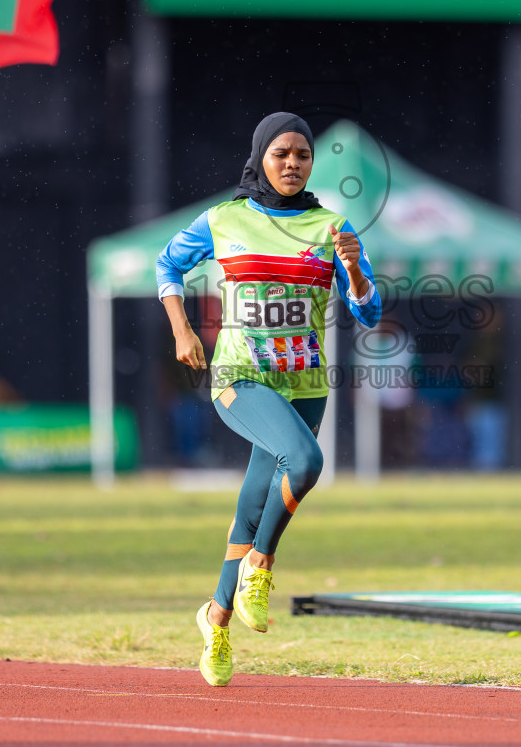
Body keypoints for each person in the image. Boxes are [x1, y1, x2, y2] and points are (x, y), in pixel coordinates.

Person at [157, 112, 380, 687]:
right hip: (239, 376)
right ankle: (261, 566)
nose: (292, 163)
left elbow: (370, 311)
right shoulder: (222, 220)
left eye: (302, 156)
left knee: (253, 507)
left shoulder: (332, 226)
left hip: (306, 384)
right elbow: (167, 264)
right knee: (306, 463)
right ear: (260, 158)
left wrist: (354, 271)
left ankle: (217, 619)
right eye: (281, 153)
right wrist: (182, 329)